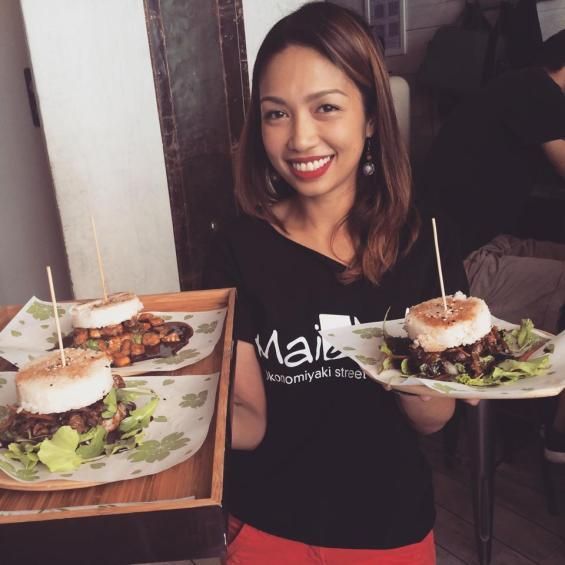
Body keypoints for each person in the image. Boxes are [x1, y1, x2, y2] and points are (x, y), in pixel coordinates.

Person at [204, 3, 471, 563]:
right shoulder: (238, 248)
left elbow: (431, 420)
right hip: (263, 526)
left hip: (388, 530)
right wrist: (148, 410)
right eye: (276, 114)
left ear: (371, 117)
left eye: (325, 107)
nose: (300, 138)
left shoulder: (422, 240)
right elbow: (249, 425)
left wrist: (420, 374)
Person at [417, 30, 565, 462]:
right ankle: (558, 432)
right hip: (456, 267)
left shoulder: (521, 90)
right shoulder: (537, 90)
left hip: (483, 243)